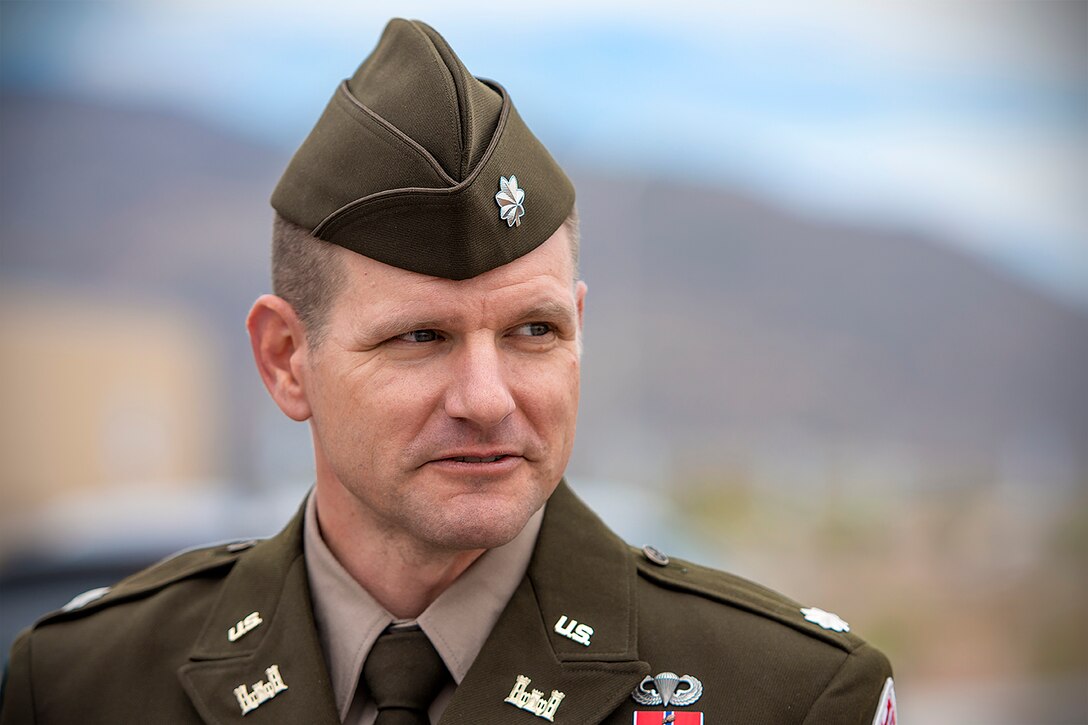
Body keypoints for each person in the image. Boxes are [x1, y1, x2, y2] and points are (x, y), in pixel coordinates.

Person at [0, 18, 896, 725]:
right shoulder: (82, 685)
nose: (487, 399)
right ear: (286, 361)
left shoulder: (788, 698)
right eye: (420, 337)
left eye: (533, 330)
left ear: (580, 329)